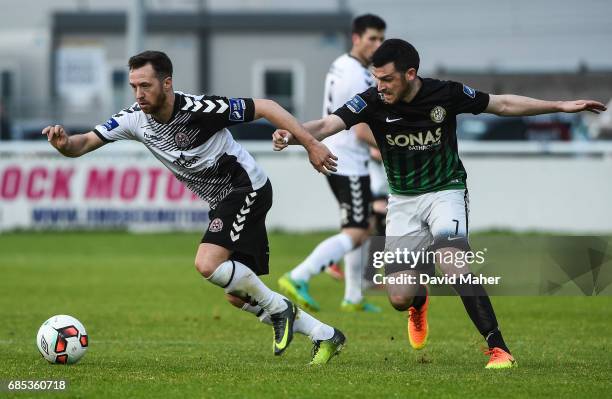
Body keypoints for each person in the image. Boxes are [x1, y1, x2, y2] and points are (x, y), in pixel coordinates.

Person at [272, 39, 606, 369]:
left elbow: (502, 105)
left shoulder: (445, 94)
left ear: (410, 74)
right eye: (376, 78)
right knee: (399, 298)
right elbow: (329, 123)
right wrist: (294, 134)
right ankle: (420, 299)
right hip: (402, 200)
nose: (380, 86)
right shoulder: (372, 100)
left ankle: (498, 349)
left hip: (445, 191)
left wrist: (560, 105)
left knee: (453, 262)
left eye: (387, 79)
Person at [42, 50, 345, 365]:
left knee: (207, 264)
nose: (138, 94)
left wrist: (311, 144)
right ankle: (325, 334)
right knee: (237, 294)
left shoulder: (202, 109)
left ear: (167, 83)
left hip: (246, 187)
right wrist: (64, 144)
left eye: (145, 85)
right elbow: (84, 143)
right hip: (222, 201)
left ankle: (281, 309)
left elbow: (267, 107)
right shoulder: (134, 118)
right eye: (134, 86)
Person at [278, 14, 386, 313]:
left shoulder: (342, 64)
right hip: (348, 159)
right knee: (357, 230)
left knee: (359, 227)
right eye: (372, 38)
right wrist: (396, 147)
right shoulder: (359, 76)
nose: (377, 45)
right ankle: (299, 276)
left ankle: (353, 296)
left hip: (342, 154)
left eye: (381, 39)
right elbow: (362, 129)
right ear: (356, 38)